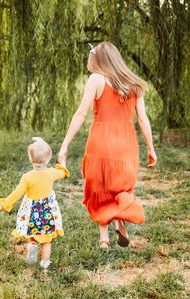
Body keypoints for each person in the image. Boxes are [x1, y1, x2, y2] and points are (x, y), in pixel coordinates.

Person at [58, 41, 157, 250]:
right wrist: (151, 148)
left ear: (99, 60)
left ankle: (104, 237)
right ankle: (120, 219)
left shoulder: (96, 79)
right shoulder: (135, 84)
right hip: (126, 145)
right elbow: (143, 120)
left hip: (100, 142)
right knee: (121, 187)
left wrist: (65, 145)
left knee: (99, 187)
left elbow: (81, 114)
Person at [0, 137, 70, 271]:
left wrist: (2, 205)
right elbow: (62, 173)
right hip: (47, 212)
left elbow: (16, 193)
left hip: (32, 212)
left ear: (30, 158)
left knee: (32, 231)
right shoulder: (51, 172)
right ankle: (45, 263)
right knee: (46, 240)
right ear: (48, 158)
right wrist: (63, 163)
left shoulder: (27, 177)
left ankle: (32, 244)